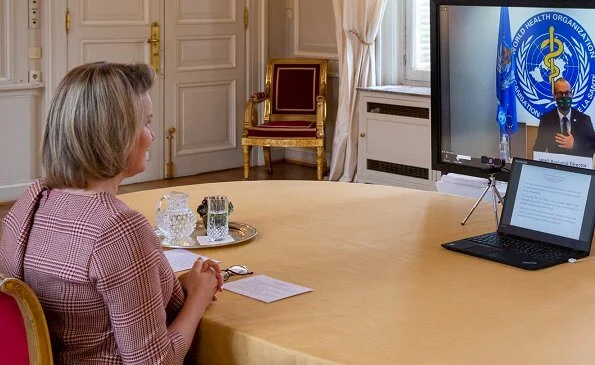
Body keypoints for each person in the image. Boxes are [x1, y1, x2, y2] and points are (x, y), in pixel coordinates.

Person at [0, 62, 223, 364]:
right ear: (114, 135)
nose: (153, 135)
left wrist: (180, 286)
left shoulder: (31, 201)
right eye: (145, 123)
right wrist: (198, 299)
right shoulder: (117, 229)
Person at [532, 77, 595, 157]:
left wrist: (574, 145)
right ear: (554, 96)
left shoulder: (584, 120)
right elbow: (538, 149)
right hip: (555, 166)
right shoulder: (546, 120)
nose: (564, 96)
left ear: (571, 95)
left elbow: (592, 148)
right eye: (560, 93)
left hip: (577, 167)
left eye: (567, 93)